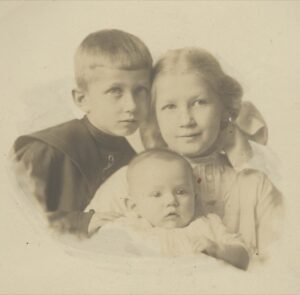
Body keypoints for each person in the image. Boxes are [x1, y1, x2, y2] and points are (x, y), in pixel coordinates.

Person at [86, 48, 283, 257]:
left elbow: (279, 272)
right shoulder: (126, 183)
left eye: (199, 103)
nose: (186, 120)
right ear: (154, 116)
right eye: (170, 106)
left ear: (224, 109)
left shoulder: (255, 188)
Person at [10, 29, 152, 237]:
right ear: (81, 99)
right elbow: (13, 225)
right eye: (115, 91)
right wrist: (81, 222)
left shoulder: (135, 162)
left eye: (141, 90)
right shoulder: (44, 151)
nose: (131, 105)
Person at [88, 149, 249, 270]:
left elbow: (244, 258)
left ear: (195, 196)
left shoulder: (208, 226)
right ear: (133, 206)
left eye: (181, 192)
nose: (171, 201)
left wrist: (219, 250)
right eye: (156, 194)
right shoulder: (128, 228)